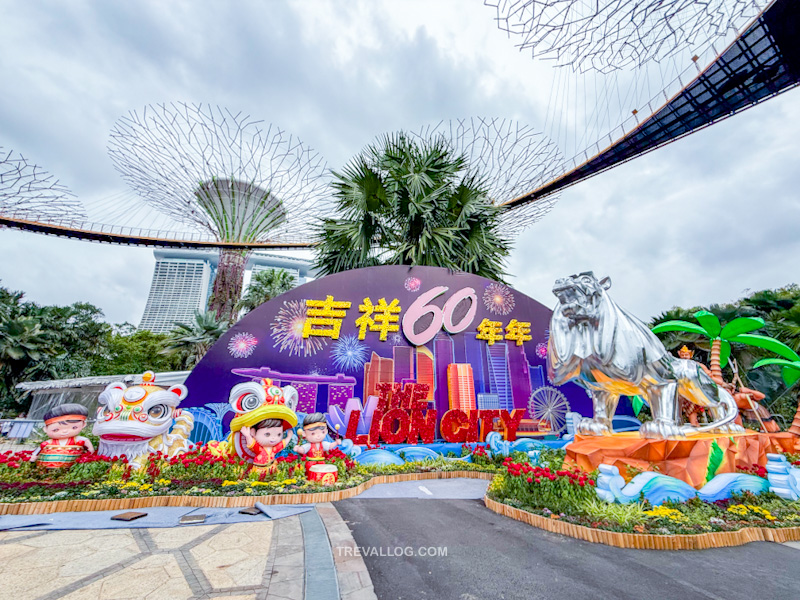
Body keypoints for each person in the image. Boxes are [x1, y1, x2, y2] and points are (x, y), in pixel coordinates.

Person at [29, 404, 94, 467]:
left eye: (74, 428)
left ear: (83, 425)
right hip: (46, 465)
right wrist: (34, 456)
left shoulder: (79, 440)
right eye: (55, 430)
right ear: (45, 429)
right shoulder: (48, 442)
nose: (64, 431)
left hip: (72, 465)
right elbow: (38, 450)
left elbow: (90, 450)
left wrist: (89, 455)